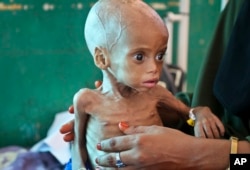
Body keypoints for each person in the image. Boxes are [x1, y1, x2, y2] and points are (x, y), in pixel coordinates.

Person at [61, 0, 250, 169]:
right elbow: (77, 146)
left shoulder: (156, 94)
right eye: (139, 57)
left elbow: (239, 161)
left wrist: (203, 154)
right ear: (102, 59)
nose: (154, 68)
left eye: (160, 56)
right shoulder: (86, 100)